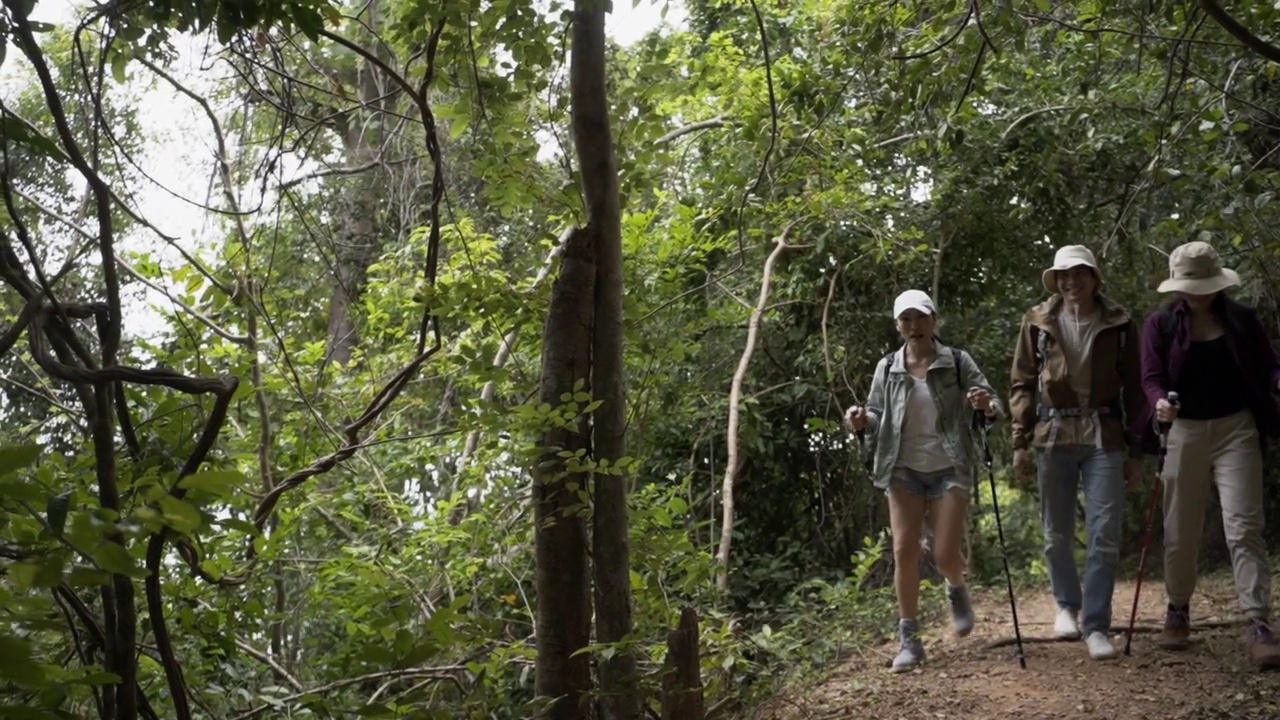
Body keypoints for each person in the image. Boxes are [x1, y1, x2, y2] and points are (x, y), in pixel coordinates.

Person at [1136, 241, 1280, 668]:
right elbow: (1150, 376)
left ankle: (1258, 622)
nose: (1199, 293)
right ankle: (1178, 610)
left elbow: (1269, 364)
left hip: (1236, 427)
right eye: (1191, 285)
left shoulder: (1242, 319)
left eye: (1205, 284)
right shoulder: (1160, 325)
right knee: (1180, 528)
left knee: (1244, 525)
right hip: (1183, 432)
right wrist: (1160, 401)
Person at [845, 289, 1005, 672]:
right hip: (902, 468)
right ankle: (910, 640)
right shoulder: (887, 368)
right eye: (906, 320)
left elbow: (994, 404)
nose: (913, 326)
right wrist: (860, 420)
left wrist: (985, 405)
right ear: (898, 325)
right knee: (904, 551)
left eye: (920, 318)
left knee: (945, 553)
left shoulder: (957, 362)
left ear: (934, 320)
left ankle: (956, 586)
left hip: (950, 464)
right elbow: (876, 413)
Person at [1008, 244, 1145, 661]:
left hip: (1105, 433)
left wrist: (1138, 450)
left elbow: (1136, 389)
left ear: (1094, 278)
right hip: (1053, 434)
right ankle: (1067, 605)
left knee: (1105, 533)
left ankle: (1097, 625)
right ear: (1056, 281)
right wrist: (1019, 441)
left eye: (1079, 273)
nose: (1071, 282)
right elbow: (1022, 382)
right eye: (1063, 275)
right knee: (1057, 532)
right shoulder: (1038, 323)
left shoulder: (1119, 323)